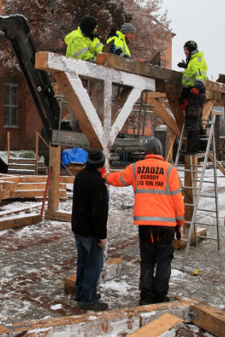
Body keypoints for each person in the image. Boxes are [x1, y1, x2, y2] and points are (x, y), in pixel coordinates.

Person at [106, 137, 185, 305]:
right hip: (166, 226)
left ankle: (146, 296)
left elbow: (118, 179)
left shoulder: (136, 168)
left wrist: (105, 176)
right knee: (164, 262)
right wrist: (179, 222)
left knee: (147, 260)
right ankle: (160, 296)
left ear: (146, 152)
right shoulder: (169, 170)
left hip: (145, 225)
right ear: (159, 151)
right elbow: (177, 200)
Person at [71, 148, 110, 311]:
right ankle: (88, 298)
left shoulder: (80, 176)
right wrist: (102, 236)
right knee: (94, 264)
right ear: (101, 164)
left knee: (83, 261)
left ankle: (81, 292)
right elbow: (99, 213)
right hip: (91, 231)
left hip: (78, 227)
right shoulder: (98, 183)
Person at [178, 40, 208, 154]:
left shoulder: (196, 61)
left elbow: (200, 75)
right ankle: (201, 146)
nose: (184, 52)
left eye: (185, 50)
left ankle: (193, 148)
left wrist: (198, 86)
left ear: (189, 49)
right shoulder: (193, 60)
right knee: (197, 121)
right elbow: (193, 72)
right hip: (194, 93)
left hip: (195, 93)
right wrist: (186, 66)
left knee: (192, 121)